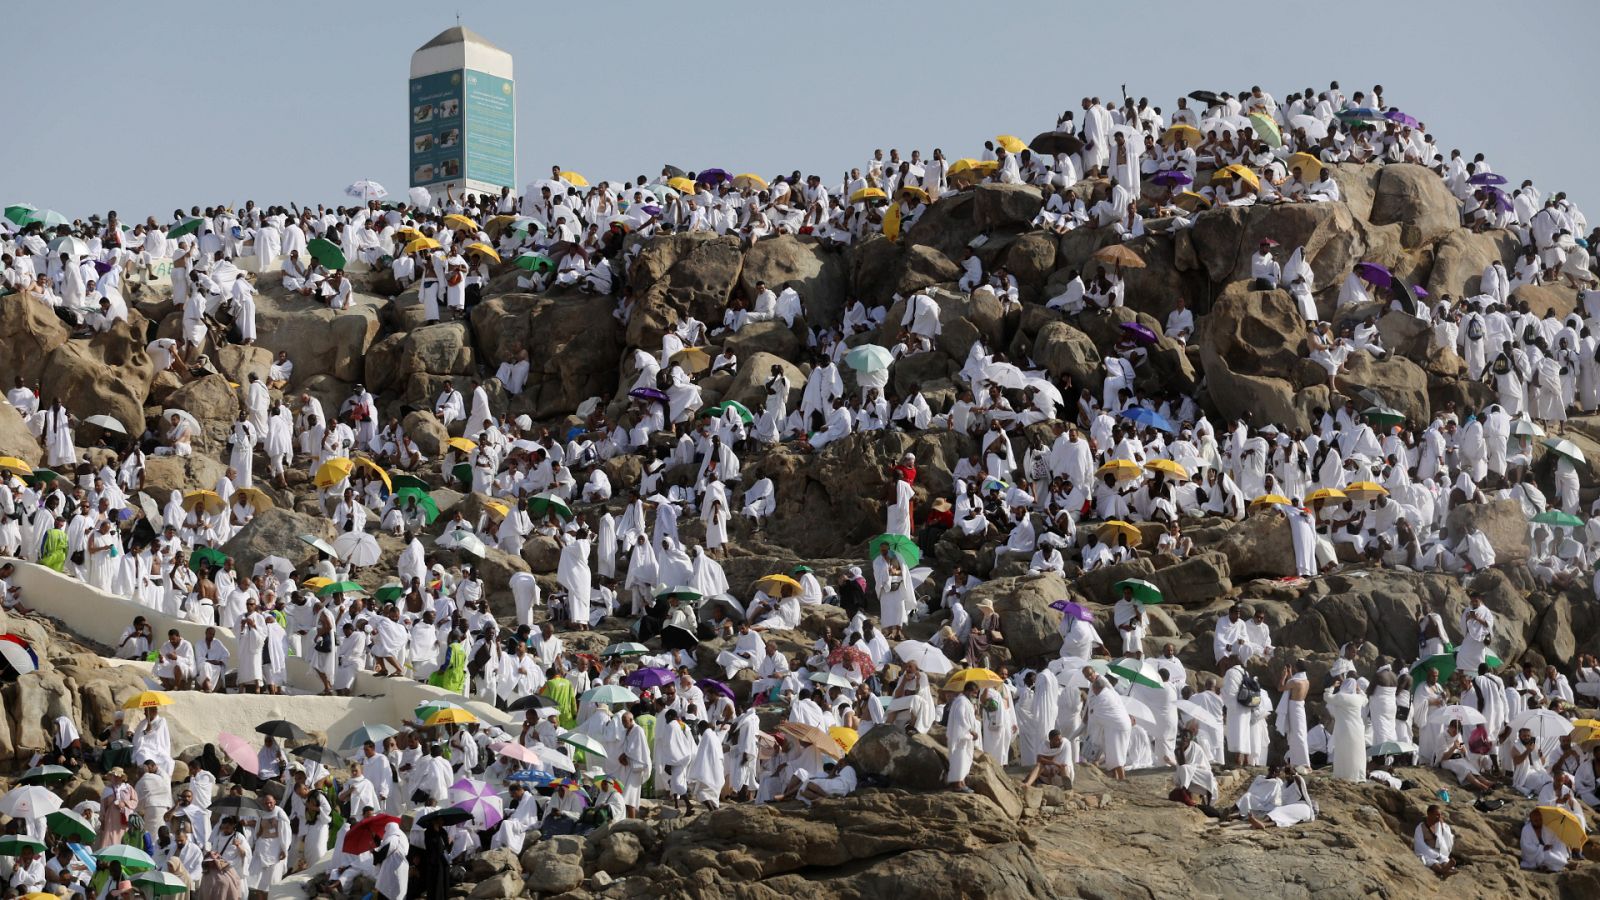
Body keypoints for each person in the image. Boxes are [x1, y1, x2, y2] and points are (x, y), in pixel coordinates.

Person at [945, 680, 980, 792]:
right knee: (959, 760)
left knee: (965, 760)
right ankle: (957, 785)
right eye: (974, 693)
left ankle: (962, 782)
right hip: (961, 737)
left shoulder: (965, 701)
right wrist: (971, 731)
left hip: (965, 737)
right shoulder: (961, 701)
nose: (975, 696)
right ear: (968, 691)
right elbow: (960, 718)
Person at [1413, 804, 1457, 878]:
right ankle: (1444, 871)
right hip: (1426, 852)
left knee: (1444, 860)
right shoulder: (1420, 828)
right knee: (1433, 862)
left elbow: (1448, 839)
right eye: (1437, 815)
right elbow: (1419, 844)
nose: (1439, 817)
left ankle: (1446, 868)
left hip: (1439, 852)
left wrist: (1443, 827)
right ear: (1429, 814)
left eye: (1440, 815)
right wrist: (1432, 853)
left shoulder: (1440, 825)